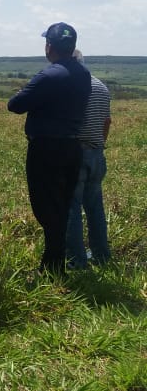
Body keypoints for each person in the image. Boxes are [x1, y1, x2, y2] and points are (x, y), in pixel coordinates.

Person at [7, 22, 90, 276]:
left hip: (46, 147)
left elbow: (15, 105)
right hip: (72, 145)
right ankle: (53, 264)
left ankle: (52, 268)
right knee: (62, 206)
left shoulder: (49, 75)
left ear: (49, 46)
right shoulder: (82, 73)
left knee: (46, 206)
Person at [66, 49, 111, 269]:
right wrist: (100, 144)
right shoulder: (101, 86)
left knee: (72, 208)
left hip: (75, 152)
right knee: (95, 207)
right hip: (97, 152)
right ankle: (102, 255)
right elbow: (107, 121)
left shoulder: (73, 86)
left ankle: (76, 260)